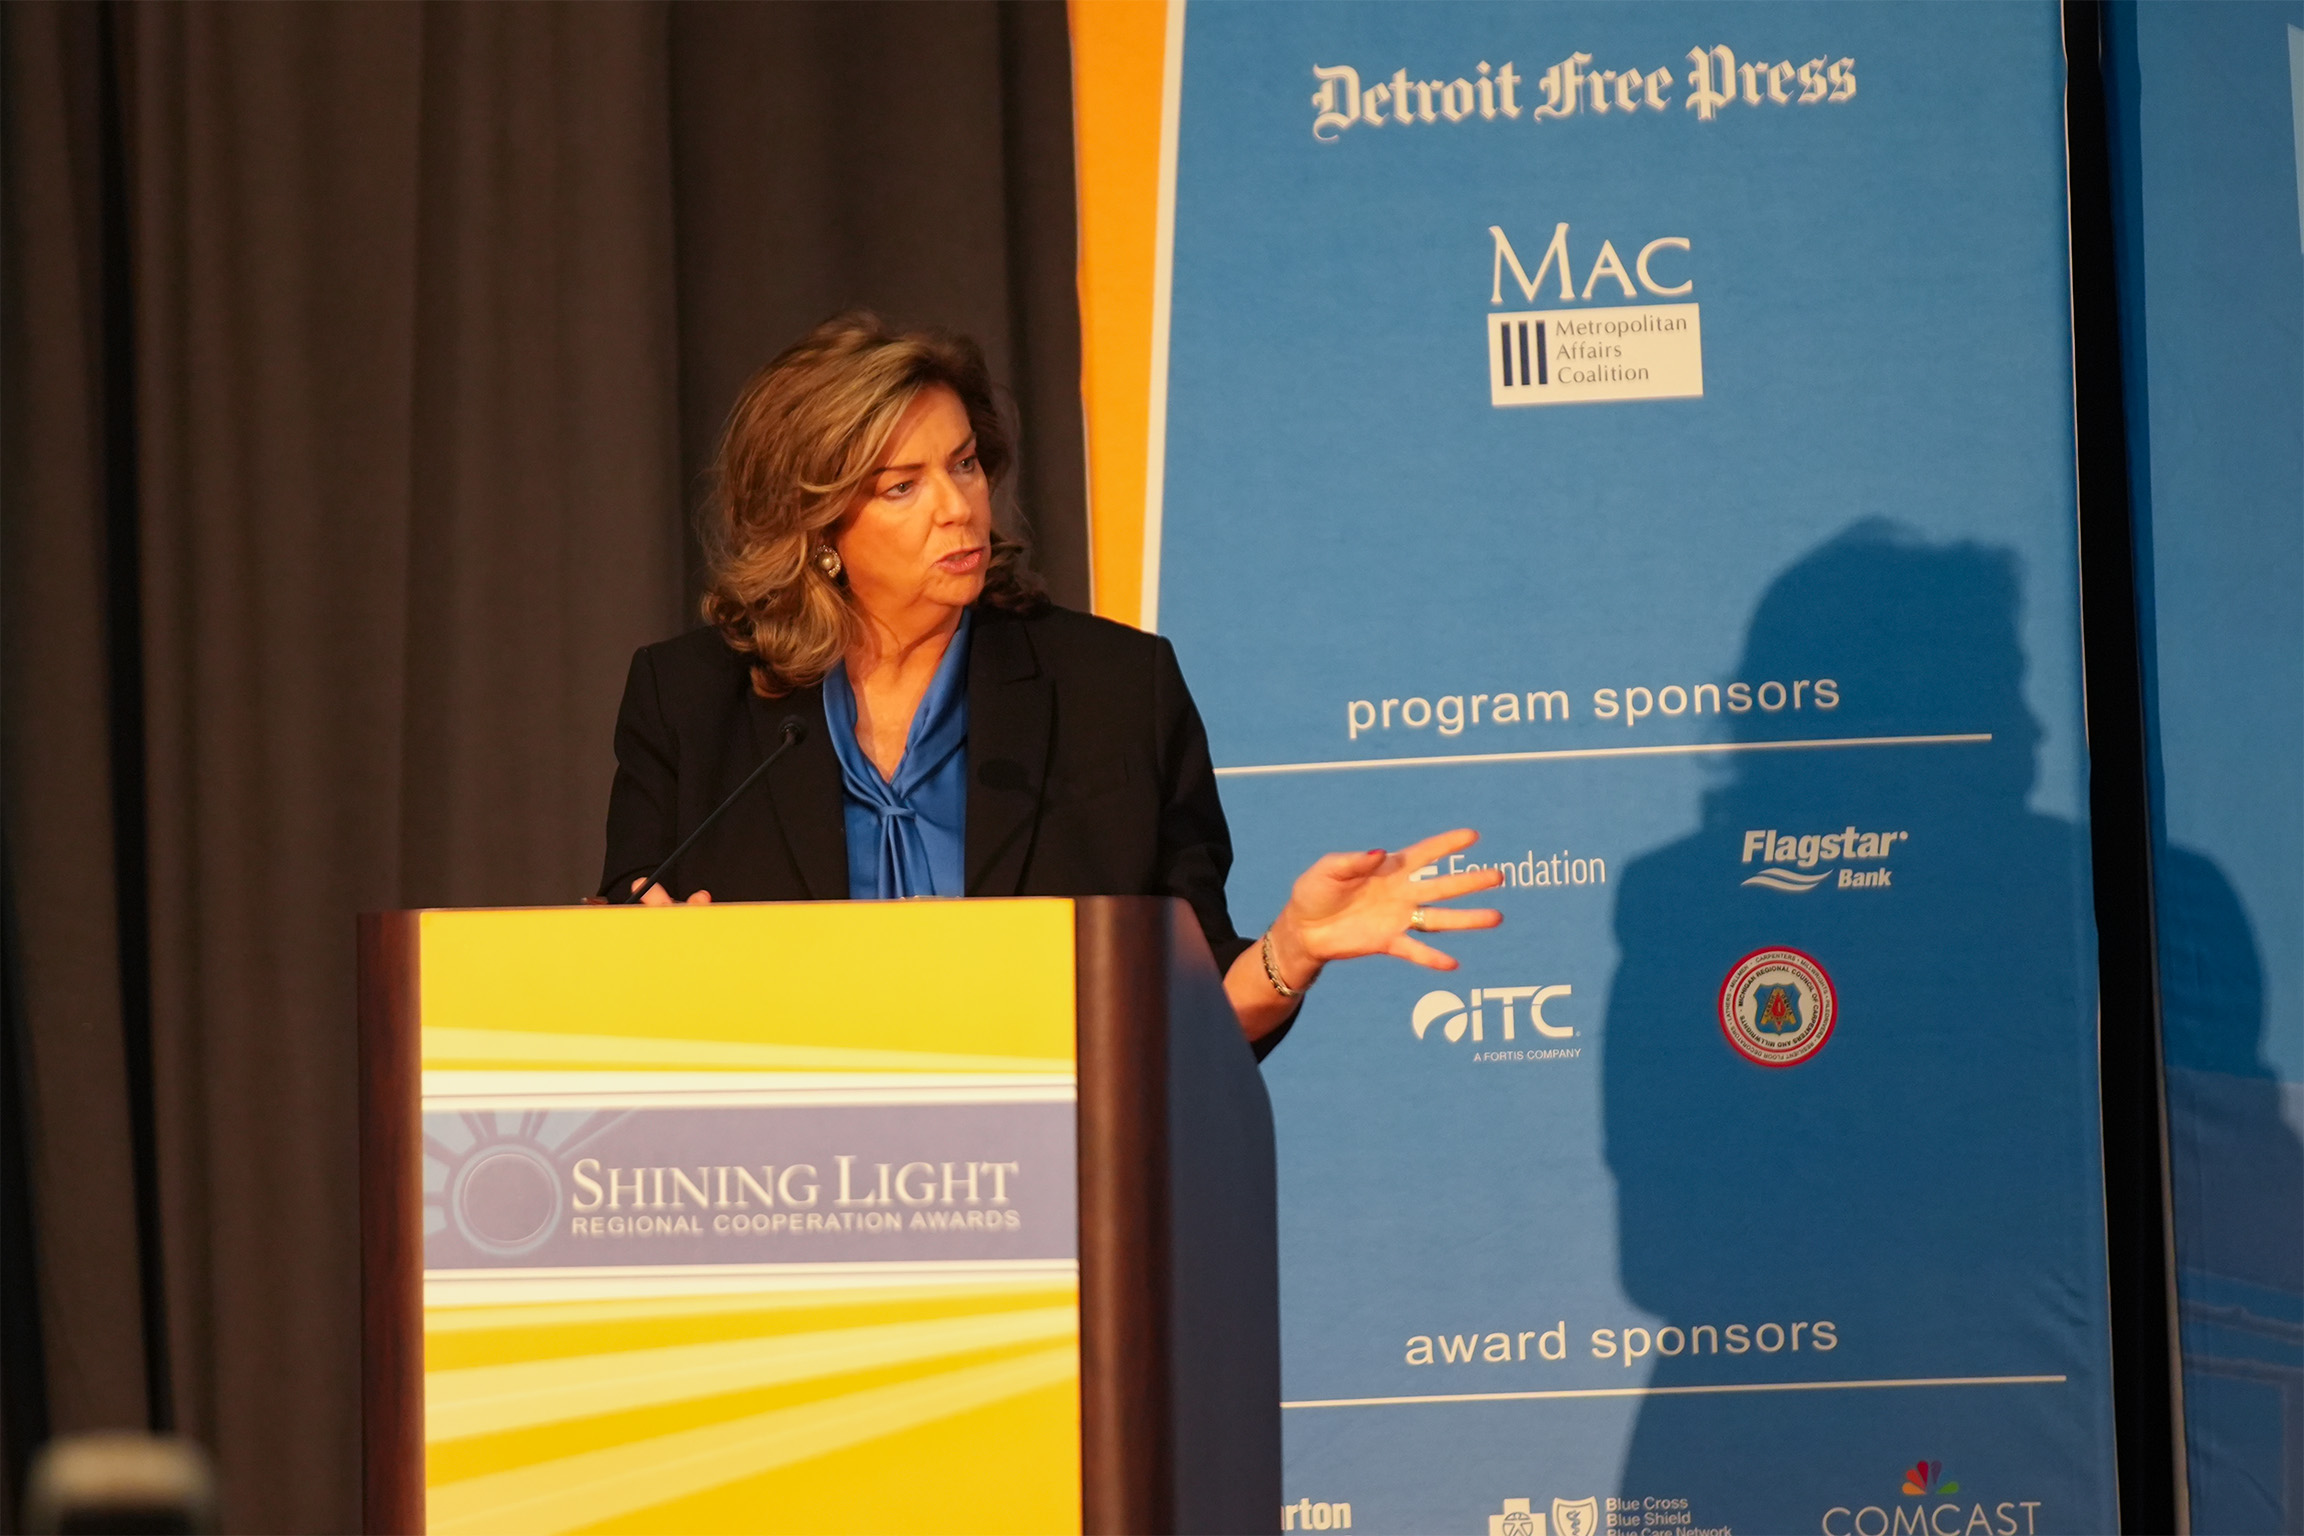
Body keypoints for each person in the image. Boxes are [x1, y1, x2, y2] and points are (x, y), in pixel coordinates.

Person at [600, 313, 1501, 1048]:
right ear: (818, 527)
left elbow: (1191, 1022)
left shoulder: (1114, 692)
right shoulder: (690, 705)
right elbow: (612, 968)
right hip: (784, 1188)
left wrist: (1292, 952)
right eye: (902, 487)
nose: (959, 507)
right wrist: (639, 964)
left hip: (1046, 1189)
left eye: (963, 464)